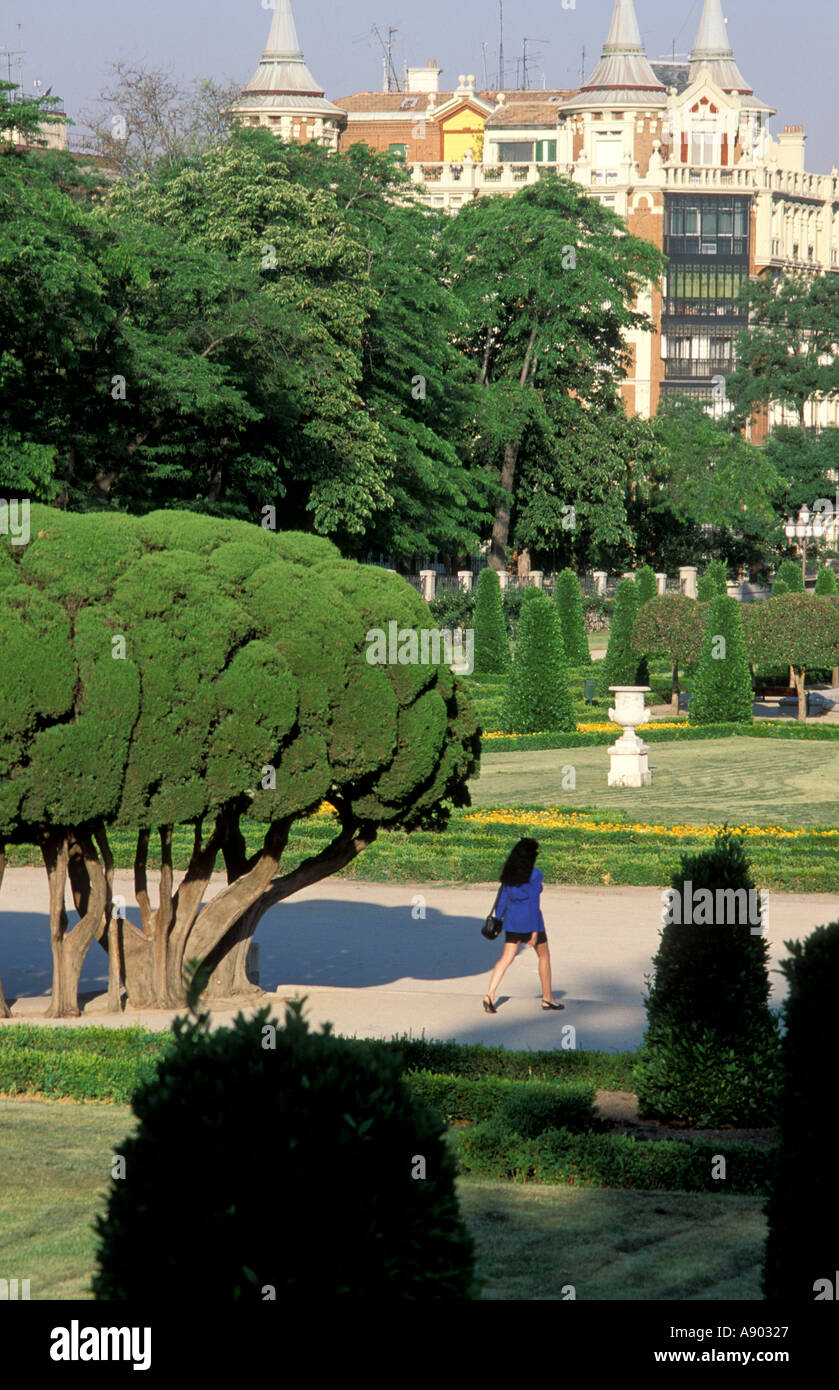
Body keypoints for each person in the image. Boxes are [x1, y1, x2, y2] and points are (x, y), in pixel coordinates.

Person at [482, 837, 563, 1013]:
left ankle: (490, 994)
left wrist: (499, 921)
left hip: (512, 921)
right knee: (544, 956)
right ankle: (547, 998)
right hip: (531, 920)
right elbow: (534, 903)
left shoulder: (508, 874)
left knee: (506, 958)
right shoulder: (535, 874)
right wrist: (534, 931)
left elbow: (502, 900)